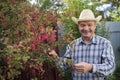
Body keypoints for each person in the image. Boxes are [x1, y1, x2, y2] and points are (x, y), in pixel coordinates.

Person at [49, 9, 115, 80]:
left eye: (89, 25)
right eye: (82, 25)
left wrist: (91, 67)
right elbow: (64, 66)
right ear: (78, 26)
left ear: (95, 26)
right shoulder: (72, 45)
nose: (86, 28)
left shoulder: (105, 44)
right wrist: (54, 56)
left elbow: (110, 67)